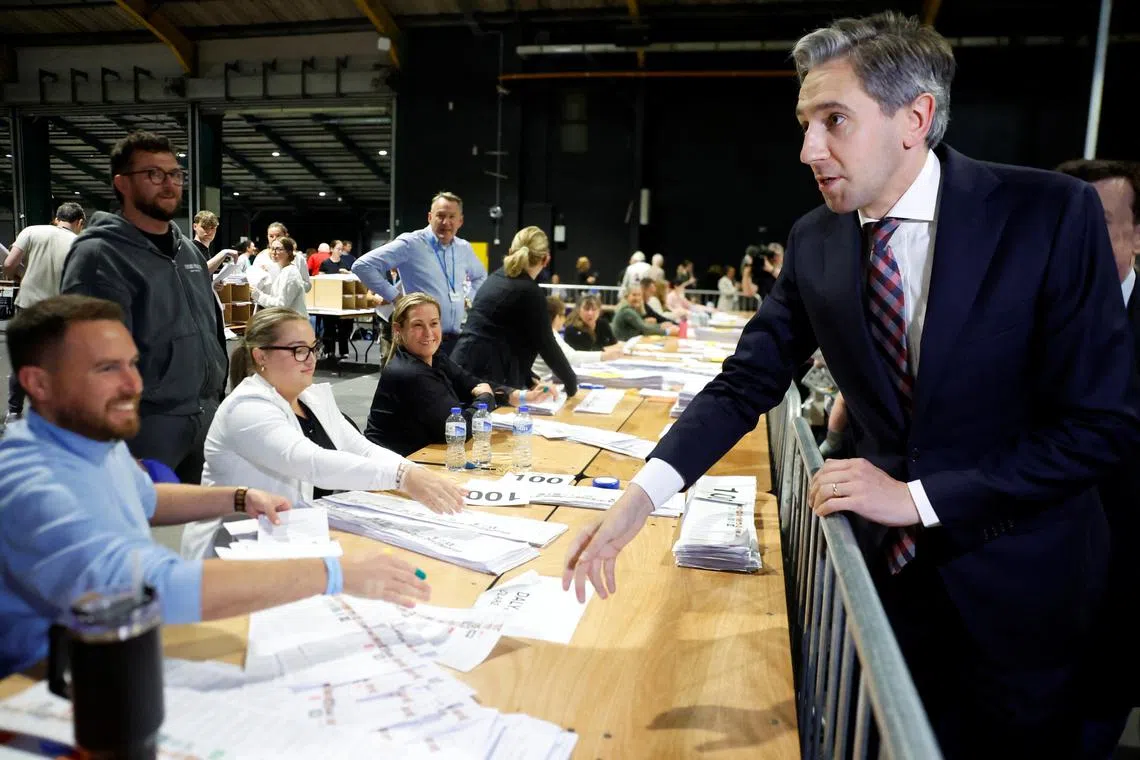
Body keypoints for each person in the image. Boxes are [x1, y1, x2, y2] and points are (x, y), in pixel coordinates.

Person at [562, 12, 1140, 760]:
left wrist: (918, 498)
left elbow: (1100, 426)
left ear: (916, 118)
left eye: (834, 120)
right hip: (890, 590)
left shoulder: (1046, 215)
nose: (809, 150)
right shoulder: (816, 240)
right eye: (805, 123)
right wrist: (639, 499)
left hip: (1025, 595)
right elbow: (746, 383)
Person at [0, 295, 432, 677]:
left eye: (132, 364)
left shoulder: (91, 440)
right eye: (106, 369)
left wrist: (235, 496)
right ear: (38, 383)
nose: (133, 384)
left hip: (117, 650)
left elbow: (145, 497)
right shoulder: (32, 484)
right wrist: (334, 574)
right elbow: (155, 588)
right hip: (44, 680)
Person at [181, 307, 465, 559]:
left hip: (298, 538)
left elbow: (361, 448)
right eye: (297, 350)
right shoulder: (246, 408)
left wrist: (413, 471)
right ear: (260, 356)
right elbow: (310, 462)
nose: (310, 359)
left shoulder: (312, 398)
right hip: (236, 552)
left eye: (312, 348)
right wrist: (403, 477)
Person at [60, 131, 228, 485]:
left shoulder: (189, 251)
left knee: (199, 533)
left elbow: (210, 325)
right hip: (144, 427)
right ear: (122, 183)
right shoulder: (100, 255)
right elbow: (85, 358)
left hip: (205, 416)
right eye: (153, 174)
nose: (169, 184)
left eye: (175, 174)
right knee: (141, 531)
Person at [1056, 159, 1140, 759]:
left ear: (1137, 235)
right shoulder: (1025, 321)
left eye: (1099, 225)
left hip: (1118, 610)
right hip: (1016, 609)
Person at [365, 293, 553, 457]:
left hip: (419, 459)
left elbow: (470, 383)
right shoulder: (409, 373)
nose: (429, 333)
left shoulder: (434, 357)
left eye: (434, 323)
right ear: (398, 330)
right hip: (391, 471)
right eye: (417, 325)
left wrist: (521, 396)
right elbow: (457, 429)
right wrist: (486, 399)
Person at [353, 192, 487, 356]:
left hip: (454, 341)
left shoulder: (463, 248)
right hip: (421, 342)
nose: (446, 222)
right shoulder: (411, 243)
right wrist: (396, 298)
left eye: (452, 216)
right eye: (440, 215)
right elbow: (362, 265)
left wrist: (468, 298)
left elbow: (480, 275)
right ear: (430, 217)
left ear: (460, 221)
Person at [452, 227, 579, 397]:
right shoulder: (529, 291)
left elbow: (505, 336)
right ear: (545, 259)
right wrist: (572, 386)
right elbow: (547, 345)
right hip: (484, 380)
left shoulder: (497, 278)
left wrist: (529, 378)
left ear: (511, 251)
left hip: (465, 369)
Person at [2, 202, 86, 425]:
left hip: (27, 306)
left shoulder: (31, 231)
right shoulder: (79, 243)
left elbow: (9, 264)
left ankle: (14, 412)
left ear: (57, 218)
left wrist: (21, 274)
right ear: (79, 223)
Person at [533, 296, 623, 382]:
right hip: (542, 381)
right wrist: (603, 355)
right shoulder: (560, 332)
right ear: (557, 317)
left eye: (594, 309)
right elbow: (571, 357)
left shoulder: (602, 323)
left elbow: (613, 343)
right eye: (586, 309)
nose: (590, 313)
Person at [251, 236, 308, 318]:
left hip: (292, 323)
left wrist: (258, 295)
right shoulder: (284, 270)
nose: (274, 252)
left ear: (289, 252)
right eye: (272, 248)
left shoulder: (290, 273)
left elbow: (281, 305)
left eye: (278, 249)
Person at [250, 222, 310, 293]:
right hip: (266, 302)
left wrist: (294, 285)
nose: (274, 239)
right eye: (271, 236)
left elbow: (307, 286)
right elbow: (253, 285)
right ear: (267, 237)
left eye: (278, 236)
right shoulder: (261, 258)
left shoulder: (298, 258)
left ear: (286, 236)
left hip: (291, 302)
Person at [612, 286, 678, 341]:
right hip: (623, 345)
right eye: (634, 295)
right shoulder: (627, 311)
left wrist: (660, 325)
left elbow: (642, 326)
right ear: (626, 297)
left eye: (639, 295)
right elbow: (644, 329)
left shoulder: (631, 309)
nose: (637, 298)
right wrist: (668, 332)